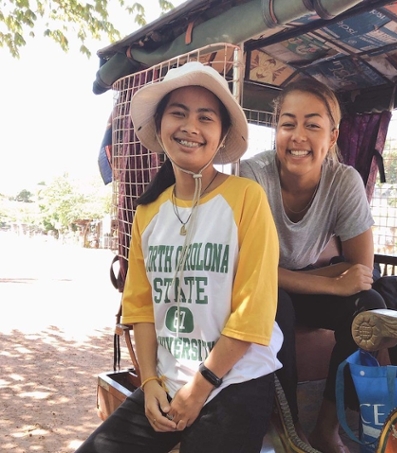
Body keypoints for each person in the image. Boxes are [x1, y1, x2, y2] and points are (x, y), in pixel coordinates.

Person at [75, 61, 283, 453]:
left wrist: (201, 386)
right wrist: (150, 381)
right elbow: (140, 307)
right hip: (168, 384)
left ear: (221, 137)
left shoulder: (246, 199)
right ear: (158, 127)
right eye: (178, 113)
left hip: (234, 383)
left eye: (206, 117)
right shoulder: (148, 212)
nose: (191, 126)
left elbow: (253, 312)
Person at [240, 78, 388, 453]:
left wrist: (330, 281)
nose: (298, 136)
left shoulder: (344, 181)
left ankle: (327, 427)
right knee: (278, 303)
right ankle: (286, 428)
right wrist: (332, 282)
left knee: (370, 308)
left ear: (333, 136)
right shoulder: (252, 176)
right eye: (288, 124)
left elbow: (360, 272)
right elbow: (254, 272)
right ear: (276, 131)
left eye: (312, 125)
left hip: (296, 280)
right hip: (261, 288)